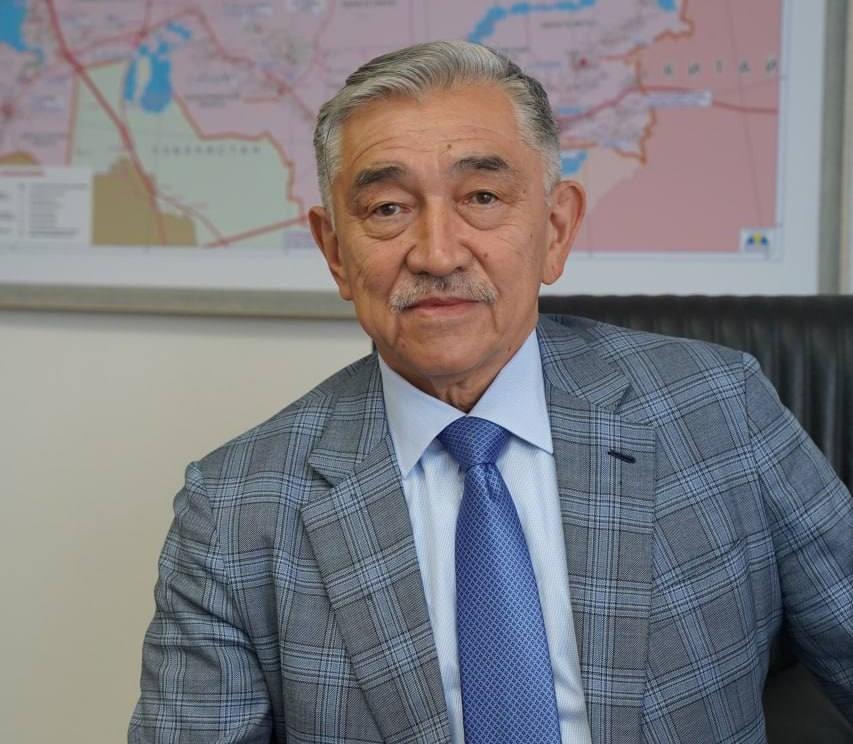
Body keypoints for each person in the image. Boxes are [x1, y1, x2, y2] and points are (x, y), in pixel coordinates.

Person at [129, 41, 852, 743]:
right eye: (387, 209)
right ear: (335, 251)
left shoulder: (720, 408)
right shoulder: (234, 509)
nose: (437, 253)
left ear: (555, 229)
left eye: (481, 196)